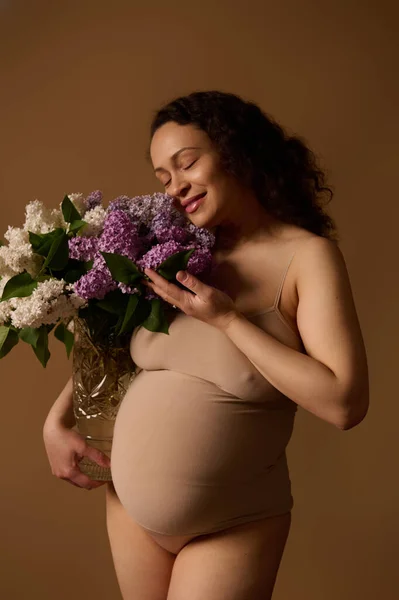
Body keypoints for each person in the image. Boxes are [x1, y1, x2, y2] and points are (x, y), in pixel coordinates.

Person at [43, 90, 369, 600]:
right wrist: (56, 420)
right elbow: (111, 342)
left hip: (233, 523)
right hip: (129, 510)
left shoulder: (307, 258)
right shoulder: (177, 247)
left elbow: (344, 404)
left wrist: (228, 321)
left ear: (237, 152)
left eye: (187, 164)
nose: (174, 189)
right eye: (163, 178)